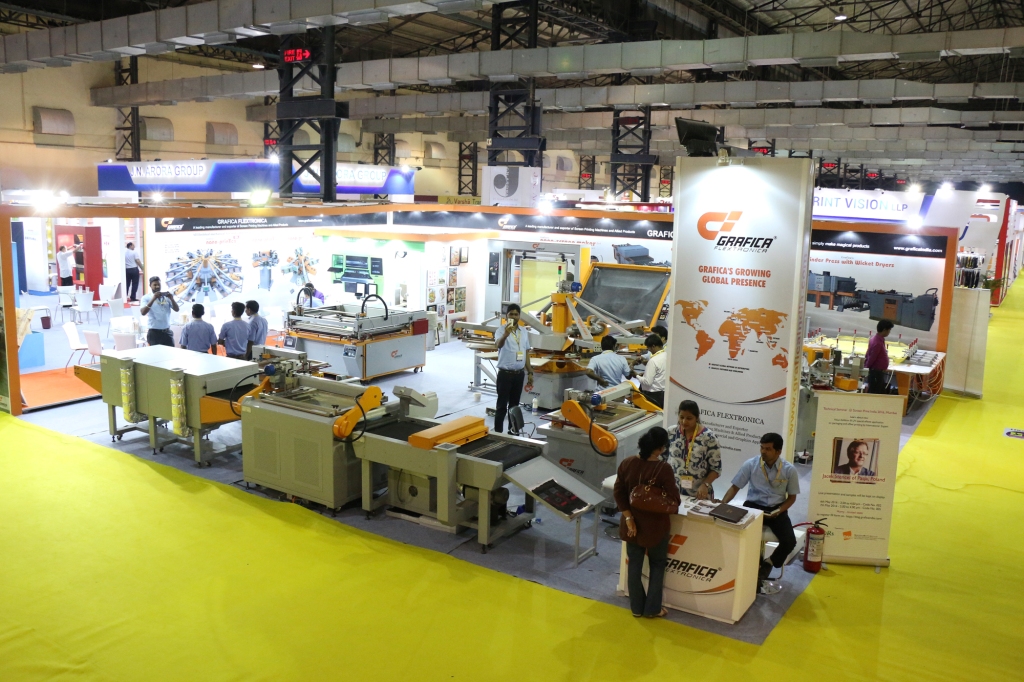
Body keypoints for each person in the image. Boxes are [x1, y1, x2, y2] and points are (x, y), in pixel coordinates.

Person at [613, 426, 680, 618]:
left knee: (634, 564)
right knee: (657, 564)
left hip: (631, 525)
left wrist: (629, 517)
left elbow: (618, 493)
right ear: (660, 448)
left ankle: (636, 607)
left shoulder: (627, 463)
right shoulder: (664, 469)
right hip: (655, 526)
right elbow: (674, 499)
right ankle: (652, 609)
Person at [721, 433, 799, 589]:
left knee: (790, 541)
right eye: (762, 448)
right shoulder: (751, 464)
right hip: (753, 506)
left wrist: (779, 511)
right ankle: (751, 570)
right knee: (743, 536)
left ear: (778, 451)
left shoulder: (789, 470)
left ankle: (768, 563)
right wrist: (722, 505)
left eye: (768, 449)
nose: (763, 451)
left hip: (777, 509)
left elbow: (791, 498)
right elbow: (735, 487)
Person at [664, 400, 722, 500]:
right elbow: (661, 459)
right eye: (681, 417)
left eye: (689, 418)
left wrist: (705, 485)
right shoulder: (671, 432)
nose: (684, 421)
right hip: (674, 491)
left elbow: (716, 469)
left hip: (700, 494)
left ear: (697, 417)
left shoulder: (709, 437)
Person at [493, 303, 533, 433]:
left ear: (519, 316)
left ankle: (512, 431)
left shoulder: (524, 332)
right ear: (506, 316)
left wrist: (530, 372)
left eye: (516, 314)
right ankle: (498, 433)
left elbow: (526, 352)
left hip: (519, 374)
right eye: (511, 314)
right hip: (505, 375)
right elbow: (498, 345)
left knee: (514, 406)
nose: (514, 317)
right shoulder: (500, 330)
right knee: (501, 406)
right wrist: (505, 334)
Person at [140, 276, 179, 347]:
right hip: (154, 333)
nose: (157, 286)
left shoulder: (166, 297)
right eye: (155, 285)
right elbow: (143, 312)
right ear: (150, 286)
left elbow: (177, 309)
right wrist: (153, 298)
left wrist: (172, 299)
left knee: (170, 352)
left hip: (167, 332)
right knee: (155, 353)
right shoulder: (146, 298)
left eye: (159, 284)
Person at [865, 320, 894, 394]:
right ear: (884, 330)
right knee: (876, 393)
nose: (889, 332)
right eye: (889, 330)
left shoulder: (876, 339)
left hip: (877, 372)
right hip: (876, 372)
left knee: (878, 391)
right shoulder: (877, 343)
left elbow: (868, 354)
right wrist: (866, 367)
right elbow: (872, 358)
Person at [639, 334, 667, 408]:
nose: (649, 350)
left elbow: (647, 382)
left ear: (653, 346)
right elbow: (660, 373)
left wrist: (636, 376)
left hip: (653, 395)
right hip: (664, 394)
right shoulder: (667, 355)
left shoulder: (653, 360)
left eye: (649, 348)